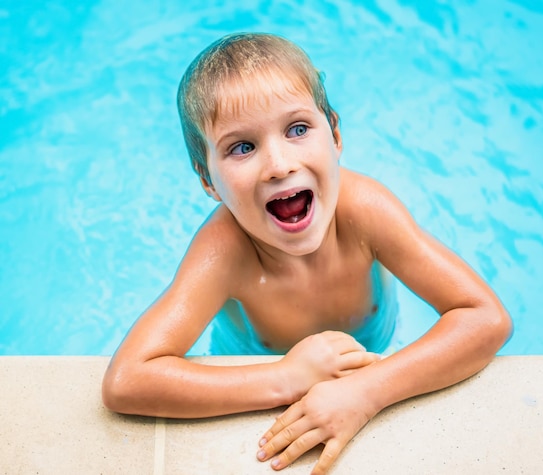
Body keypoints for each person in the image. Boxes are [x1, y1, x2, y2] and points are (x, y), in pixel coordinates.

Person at [102, 32, 512, 474]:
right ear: (207, 180)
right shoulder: (225, 252)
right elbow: (128, 380)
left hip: (373, 350)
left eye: (298, 129)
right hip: (254, 363)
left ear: (334, 134)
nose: (279, 165)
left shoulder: (366, 213)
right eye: (242, 147)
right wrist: (285, 378)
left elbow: (485, 318)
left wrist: (366, 391)